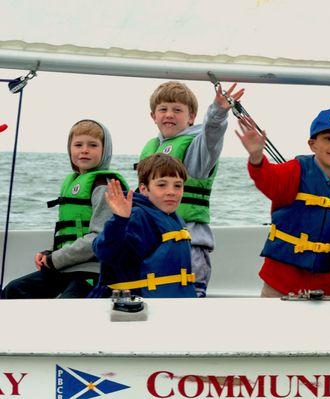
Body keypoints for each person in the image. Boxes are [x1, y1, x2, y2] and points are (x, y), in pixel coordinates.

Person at [235, 108, 330, 308]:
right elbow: (269, 180)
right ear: (312, 144)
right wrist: (257, 157)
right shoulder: (295, 170)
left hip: (324, 285)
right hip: (279, 280)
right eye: (328, 138)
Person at [138, 80, 244, 297]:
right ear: (153, 116)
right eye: (163, 109)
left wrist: (217, 113)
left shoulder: (198, 148)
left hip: (189, 245)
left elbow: (211, 136)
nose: (169, 114)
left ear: (191, 117)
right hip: (153, 244)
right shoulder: (150, 147)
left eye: (177, 110)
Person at [1, 120, 128, 299]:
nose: (84, 150)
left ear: (105, 151)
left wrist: (55, 259)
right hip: (67, 267)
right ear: (70, 150)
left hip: (94, 271)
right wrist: (50, 254)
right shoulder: (72, 182)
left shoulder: (104, 186)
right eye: (78, 145)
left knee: (66, 305)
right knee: (13, 290)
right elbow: (70, 234)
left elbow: (99, 238)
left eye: (93, 145)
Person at [91, 153, 196, 298]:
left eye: (178, 185)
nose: (171, 192)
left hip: (173, 302)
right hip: (138, 304)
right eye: (161, 185)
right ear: (144, 189)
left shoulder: (174, 220)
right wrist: (119, 221)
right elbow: (104, 252)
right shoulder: (138, 217)